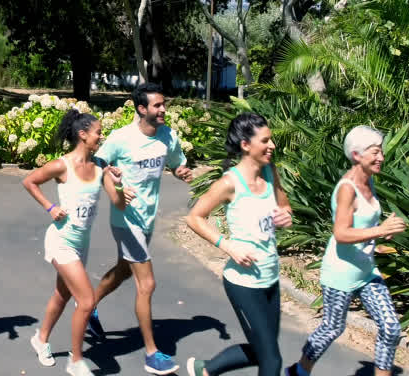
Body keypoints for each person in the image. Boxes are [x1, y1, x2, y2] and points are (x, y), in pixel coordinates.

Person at [88, 82, 193, 375]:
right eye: (157, 105)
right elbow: (95, 163)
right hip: (125, 219)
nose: (163, 110)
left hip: (147, 218)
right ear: (141, 109)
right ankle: (152, 354)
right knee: (146, 284)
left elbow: (176, 164)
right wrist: (109, 175)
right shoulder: (122, 138)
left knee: (124, 270)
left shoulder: (167, 136)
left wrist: (181, 171)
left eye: (163, 104)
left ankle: (87, 305)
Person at [287, 126, 405, 376]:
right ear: (356, 155)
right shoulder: (347, 189)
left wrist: (384, 230)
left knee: (391, 328)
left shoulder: (368, 179)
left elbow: (365, 222)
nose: (381, 157)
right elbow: (341, 234)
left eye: (381, 151)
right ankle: (298, 371)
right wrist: (379, 230)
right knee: (332, 328)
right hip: (341, 273)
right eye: (375, 152)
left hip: (366, 271)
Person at [183, 112, 293, 376]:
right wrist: (229, 246)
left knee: (262, 350)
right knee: (272, 361)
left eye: (271, 140)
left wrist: (285, 216)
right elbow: (194, 218)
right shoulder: (229, 183)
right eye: (265, 141)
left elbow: (285, 205)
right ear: (246, 145)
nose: (272, 145)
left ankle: (205, 370)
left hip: (270, 278)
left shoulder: (270, 172)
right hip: (243, 284)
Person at [22, 108, 128, 376]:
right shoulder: (62, 165)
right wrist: (50, 207)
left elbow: (118, 203)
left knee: (62, 295)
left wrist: (118, 184)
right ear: (82, 135)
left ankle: (40, 339)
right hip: (60, 241)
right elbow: (30, 181)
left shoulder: (100, 166)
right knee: (87, 301)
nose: (101, 137)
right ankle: (76, 360)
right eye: (98, 133)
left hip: (82, 244)